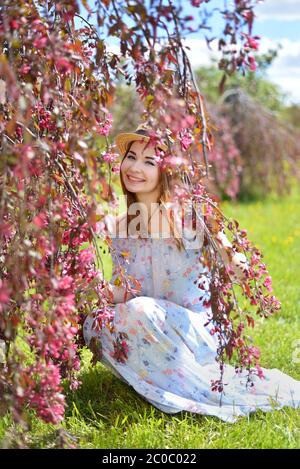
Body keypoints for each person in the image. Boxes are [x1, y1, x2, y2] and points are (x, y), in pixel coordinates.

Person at [83, 124, 300, 423]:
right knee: (96, 321)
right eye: (131, 157)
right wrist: (93, 290)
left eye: (149, 161)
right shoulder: (122, 227)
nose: (134, 167)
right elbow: (126, 292)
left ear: (167, 171)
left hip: (194, 330)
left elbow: (229, 256)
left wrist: (236, 262)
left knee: (140, 310)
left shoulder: (191, 217)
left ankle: (169, 384)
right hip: (149, 322)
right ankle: (157, 379)